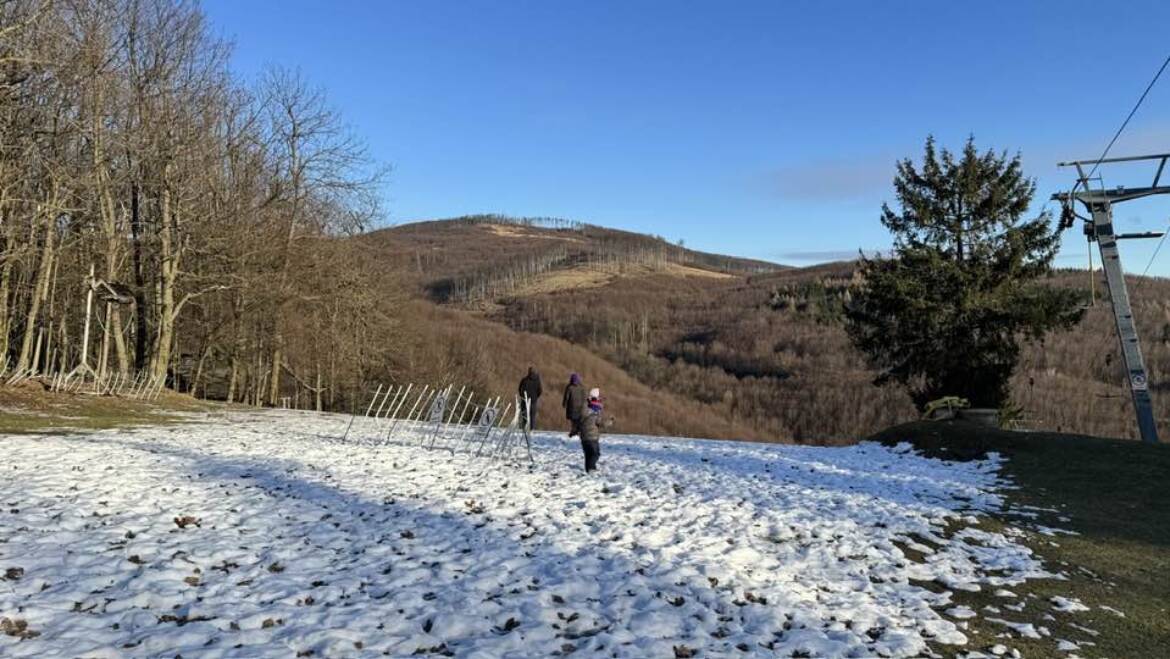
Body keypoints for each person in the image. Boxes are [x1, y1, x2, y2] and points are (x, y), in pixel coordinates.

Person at [578, 388, 611, 472]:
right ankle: (591, 469)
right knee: (595, 454)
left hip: (584, 437)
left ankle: (588, 469)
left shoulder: (584, 410)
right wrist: (610, 422)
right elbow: (601, 424)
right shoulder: (596, 412)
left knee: (588, 454)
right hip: (592, 437)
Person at [518, 366, 543, 430]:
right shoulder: (537, 381)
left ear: (528, 372)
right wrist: (536, 397)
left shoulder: (524, 380)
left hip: (525, 400)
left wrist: (522, 396)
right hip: (533, 401)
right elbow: (540, 390)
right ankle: (532, 429)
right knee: (532, 416)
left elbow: (520, 389)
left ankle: (524, 428)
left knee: (524, 415)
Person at [562, 372, 586, 437]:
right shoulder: (582, 387)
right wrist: (584, 406)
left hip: (571, 407)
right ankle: (577, 432)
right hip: (580, 408)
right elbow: (584, 397)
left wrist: (564, 404)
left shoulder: (569, 387)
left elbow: (566, 397)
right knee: (578, 421)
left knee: (573, 422)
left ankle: (573, 432)